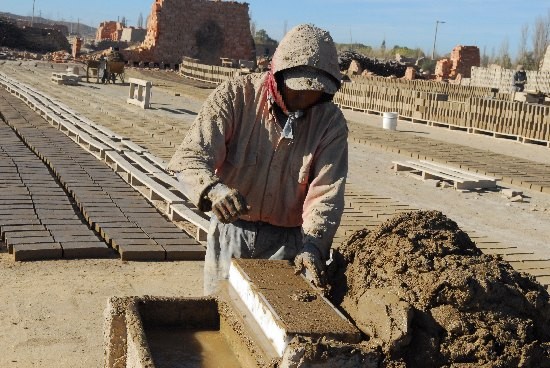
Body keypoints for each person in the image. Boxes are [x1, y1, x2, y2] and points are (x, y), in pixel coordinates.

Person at [168, 24, 348, 295]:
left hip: (289, 242)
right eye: (297, 92)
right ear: (276, 77)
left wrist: (313, 246)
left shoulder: (330, 123)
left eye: (314, 95)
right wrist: (214, 190)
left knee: (276, 322)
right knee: (221, 313)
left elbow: (327, 194)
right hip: (232, 232)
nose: (303, 101)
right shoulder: (235, 96)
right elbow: (190, 157)